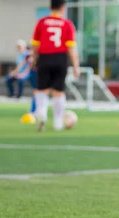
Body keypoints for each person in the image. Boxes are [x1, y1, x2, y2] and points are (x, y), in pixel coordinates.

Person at [31, 0, 80, 131]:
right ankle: (58, 122)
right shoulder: (67, 24)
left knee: (42, 90)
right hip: (60, 58)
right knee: (58, 92)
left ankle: (41, 113)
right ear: (63, 8)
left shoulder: (41, 22)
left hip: (44, 58)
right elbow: (71, 48)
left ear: (50, 7)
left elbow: (35, 45)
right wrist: (76, 65)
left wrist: (33, 59)